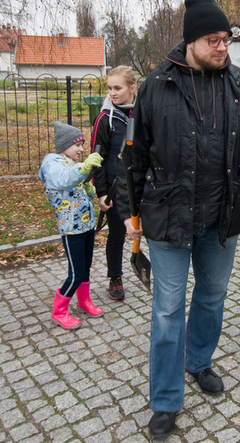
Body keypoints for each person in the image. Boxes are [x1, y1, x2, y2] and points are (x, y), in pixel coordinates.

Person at [117, 0, 240, 438]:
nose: (223, 46)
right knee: (167, 311)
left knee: (211, 297)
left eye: (225, 38)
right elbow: (134, 154)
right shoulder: (154, 88)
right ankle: (165, 401)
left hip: (222, 218)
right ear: (191, 42)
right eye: (213, 39)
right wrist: (129, 211)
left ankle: (199, 360)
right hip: (167, 218)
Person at [39, 122, 105, 329]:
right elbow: (62, 180)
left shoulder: (70, 165)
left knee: (85, 267)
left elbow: (79, 190)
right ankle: (59, 311)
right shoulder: (53, 163)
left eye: (83, 144)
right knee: (76, 273)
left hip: (86, 226)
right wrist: (82, 168)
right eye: (77, 144)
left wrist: (88, 186)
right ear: (64, 145)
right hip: (71, 230)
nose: (81, 149)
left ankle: (83, 302)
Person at [91, 66, 137, 301]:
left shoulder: (142, 113)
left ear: (132, 88)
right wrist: (101, 194)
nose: (113, 93)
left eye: (117, 88)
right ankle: (115, 277)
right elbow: (96, 159)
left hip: (140, 187)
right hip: (114, 188)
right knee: (117, 235)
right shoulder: (104, 118)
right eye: (109, 88)